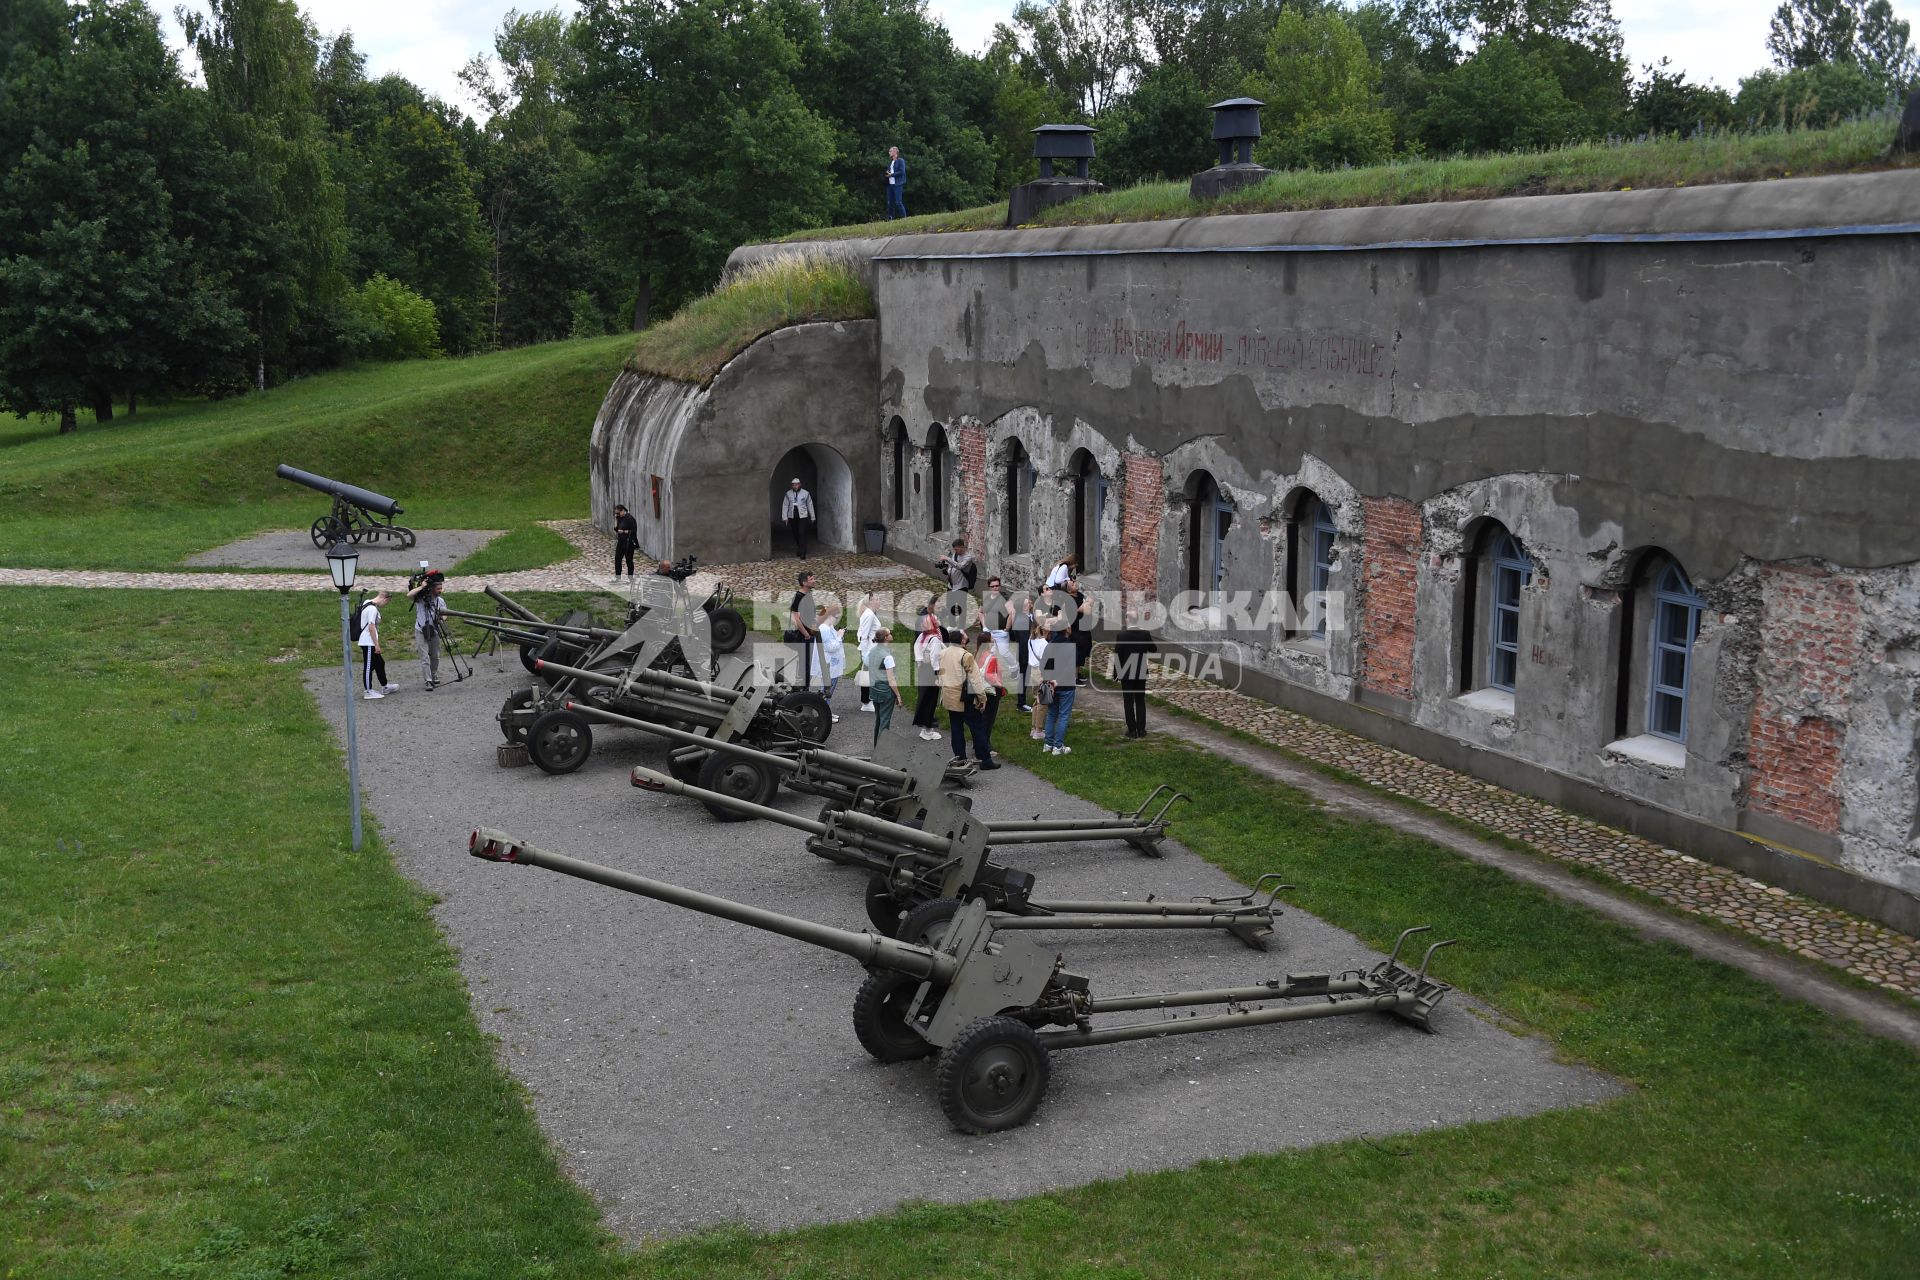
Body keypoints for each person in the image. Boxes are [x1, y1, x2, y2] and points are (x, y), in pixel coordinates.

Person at [938, 628, 997, 767]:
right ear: (962, 640)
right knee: (977, 728)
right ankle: (985, 760)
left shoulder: (943, 653)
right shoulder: (966, 656)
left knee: (956, 728)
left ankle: (960, 758)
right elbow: (976, 680)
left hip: (949, 695)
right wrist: (982, 698)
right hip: (964, 697)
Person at [1114, 616, 1158, 738]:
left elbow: (1118, 655)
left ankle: (1132, 730)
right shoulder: (1145, 634)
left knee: (1128, 701)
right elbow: (1153, 649)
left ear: (1128, 620)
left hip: (1126, 673)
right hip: (1140, 672)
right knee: (1140, 700)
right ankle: (1142, 730)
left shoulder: (1121, 635)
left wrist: (1116, 673)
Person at [407, 571, 449, 691]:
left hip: (434, 630)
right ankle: (428, 680)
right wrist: (422, 587)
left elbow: (445, 613)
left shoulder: (440, 601)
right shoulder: (420, 598)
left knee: (435, 656)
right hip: (421, 630)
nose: (440, 590)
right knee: (425, 657)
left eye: (441, 588)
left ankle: (434, 674)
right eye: (438, 588)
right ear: (431, 588)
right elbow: (409, 595)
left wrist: (442, 618)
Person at [1039, 631, 1078, 755]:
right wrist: (1058, 680)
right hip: (1066, 685)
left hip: (1051, 685)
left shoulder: (1049, 645)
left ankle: (1048, 744)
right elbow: (1070, 667)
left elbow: (1043, 665)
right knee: (1063, 715)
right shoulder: (1070, 646)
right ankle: (1058, 746)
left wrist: (1049, 679)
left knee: (1051, 714)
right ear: (1066, 630)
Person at [910, 609, 945, 741]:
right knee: (930, 700)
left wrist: (920, 663)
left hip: (923, 670)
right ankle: (927, 729)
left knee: (924, 698)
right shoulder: (934, 639)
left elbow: (917, 651)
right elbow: (935, 658)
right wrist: (938, 674)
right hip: (931, 671)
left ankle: (925, 726)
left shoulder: (922, 636)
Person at [356, 591, 398, 700]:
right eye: (386, 603)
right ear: (384, 598)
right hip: (368, 642)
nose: (385, 605)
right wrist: (377, 645)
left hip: (368, 641)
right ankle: (368, 691)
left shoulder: (367, 602)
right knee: (368, 666)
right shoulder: (373, 609)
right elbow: (371, 627)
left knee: (380, 663)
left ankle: (385, 686)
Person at [867, 627, 903, 745]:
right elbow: (891, 679)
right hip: (885, 692)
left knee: (878, 719)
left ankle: (876, 746)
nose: (891, 634)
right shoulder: (888, 656)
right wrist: (898, 695)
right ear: (886, 638)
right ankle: (881, 752)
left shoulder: (871, 651)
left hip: (874, 689)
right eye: (889, 633)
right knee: (885, 721)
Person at [973, 629, 1009, 742]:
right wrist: (1000, 685)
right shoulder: (991, 657)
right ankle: (985, 746)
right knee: (989, 719)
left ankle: (978, 743)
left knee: (982, 718)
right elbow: (989, 675)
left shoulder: (977, 654)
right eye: (992, 640)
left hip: (981, 689)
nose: (994, 641)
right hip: (991, 690)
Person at [786, 570, 819, 689]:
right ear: (804, 582)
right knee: (805, 664)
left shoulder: (808, 595)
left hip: (810, 634)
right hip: (804, 636)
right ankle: (802, 690)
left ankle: (804, 688)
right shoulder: (798, 597)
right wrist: (806, 634)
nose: (814, 581)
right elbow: (796, 619)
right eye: (811, 579)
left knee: (809, 663)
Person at [818, 606, 846, 720]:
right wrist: (839, 637)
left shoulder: (830, 627)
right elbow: (829, 647)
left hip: (833, 664)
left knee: (829, 689)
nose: (837, 619)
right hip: (829, 664)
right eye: (836, 617)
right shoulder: (824, 629)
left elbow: (834, 643)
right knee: (826, 689)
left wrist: (840, 636)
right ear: (829, 616)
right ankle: (824, 714)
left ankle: (826, 712)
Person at [855, 592, 881, 711]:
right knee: (868, 676)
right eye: (877, 599)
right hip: (869, 651)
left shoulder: (870, 614)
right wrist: (865, 653)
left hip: (871, 649)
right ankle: (866, 702)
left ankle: (869, 700)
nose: (879, 601)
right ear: (870, 601)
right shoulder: (869, 615)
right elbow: (863, 635)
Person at [782, 478, 815, 560]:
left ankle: (803, 552)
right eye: (793, 484)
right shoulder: (788, 493)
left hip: (802, 516)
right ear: (791, 485)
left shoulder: (806, 493)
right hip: (792, 515)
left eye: (796, 484)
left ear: (800, 484)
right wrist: (785, 517)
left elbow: (810, 505)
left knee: (801, 532)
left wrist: (812, 516)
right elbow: (785, 505)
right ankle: (800, 549)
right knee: (796, 533)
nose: (795, 486)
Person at [612, 503, 638, 578]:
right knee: (617, 559)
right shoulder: (619, 518)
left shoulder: (630, 518)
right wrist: (616, 520)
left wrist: (624, 531)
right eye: (616, 513)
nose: (617, 514)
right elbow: (616, 529)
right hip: (621, 542)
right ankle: (618, 578)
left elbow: (634, 531)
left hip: (629, 543)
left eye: (618, 513)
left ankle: (630, 578)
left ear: (623, 510)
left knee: (629, 560)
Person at [884, 145, 907, 220]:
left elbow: (902, 172)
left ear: (895, 152)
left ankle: (904, 218)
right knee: (890, 203)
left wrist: (892, 174)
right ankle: (891, 219)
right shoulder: (890, 162)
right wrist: (888, 173)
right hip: (890, 185)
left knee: (898, 202)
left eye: (890, 151)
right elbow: (889, 172)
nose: (889, 152)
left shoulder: (900, 160)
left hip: (897, 184)